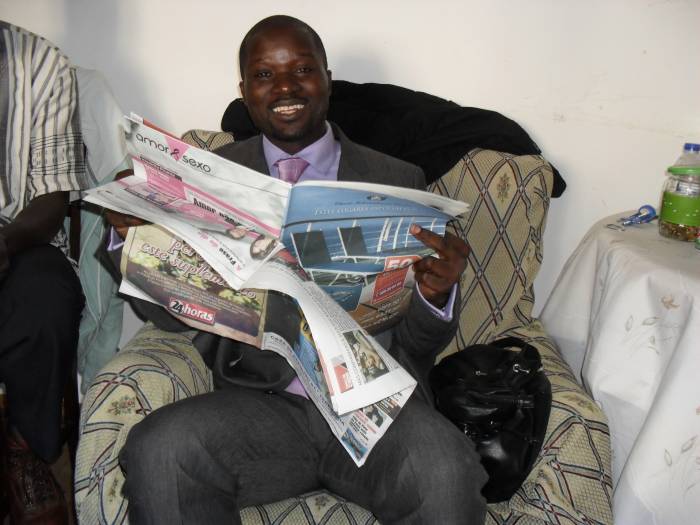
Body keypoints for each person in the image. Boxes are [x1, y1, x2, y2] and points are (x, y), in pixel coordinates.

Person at [112, 15, 487, 524]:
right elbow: (169, 317)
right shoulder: (208, 179)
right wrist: (133, 235)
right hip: (260, 411)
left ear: (327, 80)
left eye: (303, 70)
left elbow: (420, 343)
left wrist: (434, 295)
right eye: (265, 75)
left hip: (376, 412)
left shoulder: (396, 178)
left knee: (445, 468)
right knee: (160, 448)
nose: (285, 87)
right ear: (245, 91)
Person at [0, 21, 87, 525]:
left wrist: (4, 243)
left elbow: (53, 201)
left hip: (18, 236)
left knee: (46, 298)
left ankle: (29, 448)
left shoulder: (42, 63)